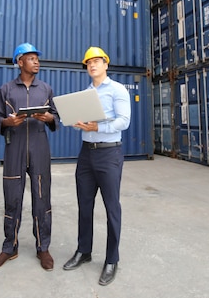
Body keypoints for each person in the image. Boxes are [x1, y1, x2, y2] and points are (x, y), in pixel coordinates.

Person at [0, 43, 58, 271]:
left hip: (39, 148)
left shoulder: (45, 89)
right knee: (12, 198)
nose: (36, 62)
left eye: (37, 58)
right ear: (20, 62)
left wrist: (48, 118)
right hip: (14, 147)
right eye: (31, 58)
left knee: (42, 198)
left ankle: (43, 247)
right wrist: (8, 122)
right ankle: (10, 247)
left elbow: (56, 116)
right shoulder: (6, 90)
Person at [62, 46, 131, 286]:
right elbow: (78, 122)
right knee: (84, 205)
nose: (92, 65)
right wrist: (74, 121)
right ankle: (84, 251)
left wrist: (98, 128)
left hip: (108, 154)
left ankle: (112, 259)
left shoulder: (117, 90)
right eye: (88, 62)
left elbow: (124, 121)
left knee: (112, 208)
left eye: (96, 61)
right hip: (86, 156)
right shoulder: (85, 94)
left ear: (106, 64)